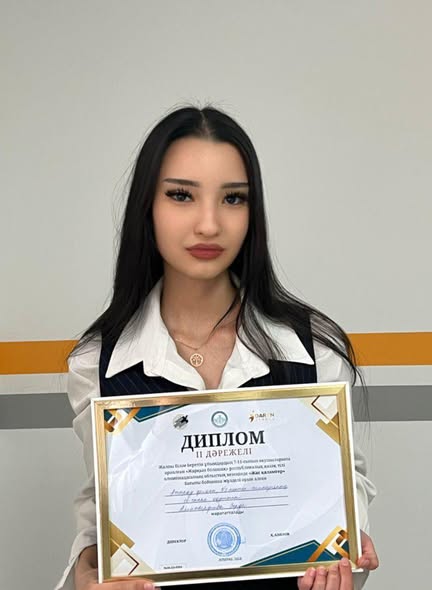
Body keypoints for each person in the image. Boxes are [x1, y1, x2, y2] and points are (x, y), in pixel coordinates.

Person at [55, 106, 378, 590]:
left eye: (233, 198)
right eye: (181, 195)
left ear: (253, 212)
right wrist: (86, 572)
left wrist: (349, 554)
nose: (209, 224)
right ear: (147, 206)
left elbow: (347, 492)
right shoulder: (95, 363)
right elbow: (102, 506)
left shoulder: (315, 350)